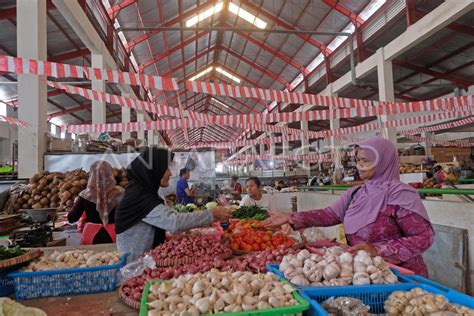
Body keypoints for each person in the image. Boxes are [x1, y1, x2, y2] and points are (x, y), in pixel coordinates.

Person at [263, 137, 435, 277]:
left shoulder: (401, 195)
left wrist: (379, 250)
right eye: (358, 160)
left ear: (383, 162)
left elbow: (424, 236)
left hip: (400, 276)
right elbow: (328, 214)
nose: (359, 166)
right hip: (365, 274)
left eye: (365, 161)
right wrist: (291, 217)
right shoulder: (356, 193)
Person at [115, 148, 231, 262]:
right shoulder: (139, 195)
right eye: (166, 169)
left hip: (143, 260)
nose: (170, 173)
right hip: (133, 265)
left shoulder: (144, 190)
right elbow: (174, 221)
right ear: (155, 169)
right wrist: (211, 214)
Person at [68, 160, 124, 245]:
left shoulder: (86, 195)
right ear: (110, 174)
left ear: (92, 175)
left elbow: (72, 218)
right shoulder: (120, 193)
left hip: (91, 236)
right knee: (114, 257)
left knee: (90, 258)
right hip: (115, 235)